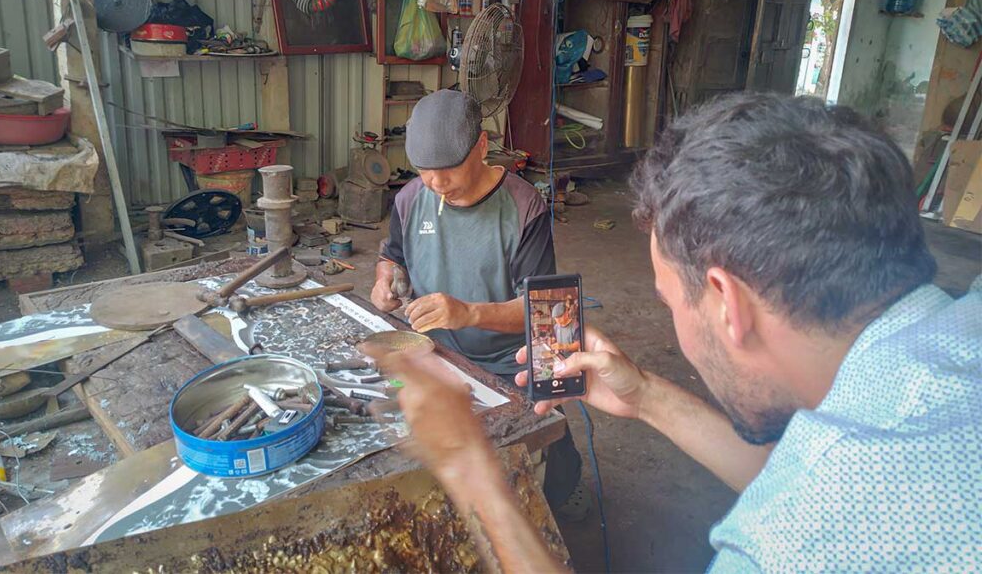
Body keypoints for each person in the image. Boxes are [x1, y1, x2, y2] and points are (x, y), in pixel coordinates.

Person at [364, 93, 982, 571]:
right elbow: (797, 468)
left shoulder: (791, 542)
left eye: (666, 300)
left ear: (726, 303)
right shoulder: (960, 329)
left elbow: (819, 499)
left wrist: (473, 474)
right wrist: (646, 396)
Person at [371, 89, 585, 516]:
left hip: (509, 358)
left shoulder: (524, 207)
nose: (436, 183)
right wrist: (385, 281)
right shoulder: (411, 198)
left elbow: (549, 316)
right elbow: (390, 255)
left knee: (539, 447)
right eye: (424, 171)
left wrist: (468, 312)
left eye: (447, 170)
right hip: (434, 350)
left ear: (482, 146)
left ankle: (561, 482)